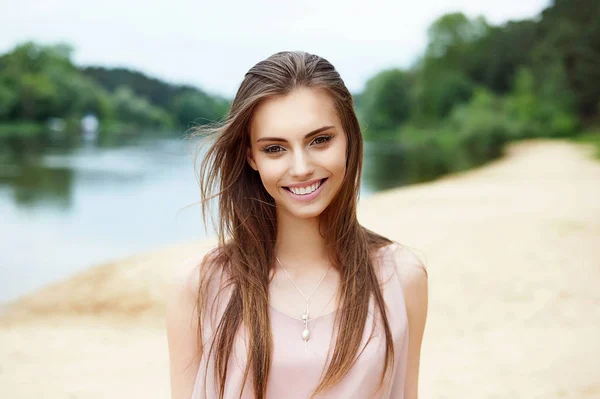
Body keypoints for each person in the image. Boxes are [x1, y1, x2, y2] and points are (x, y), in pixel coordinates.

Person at [166, 51, 428, 399]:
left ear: (349, 139)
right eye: (275, 148)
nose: (301, 167)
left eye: (320, 140)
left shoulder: (402, 276)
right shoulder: (199, 284)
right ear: (251, 158)